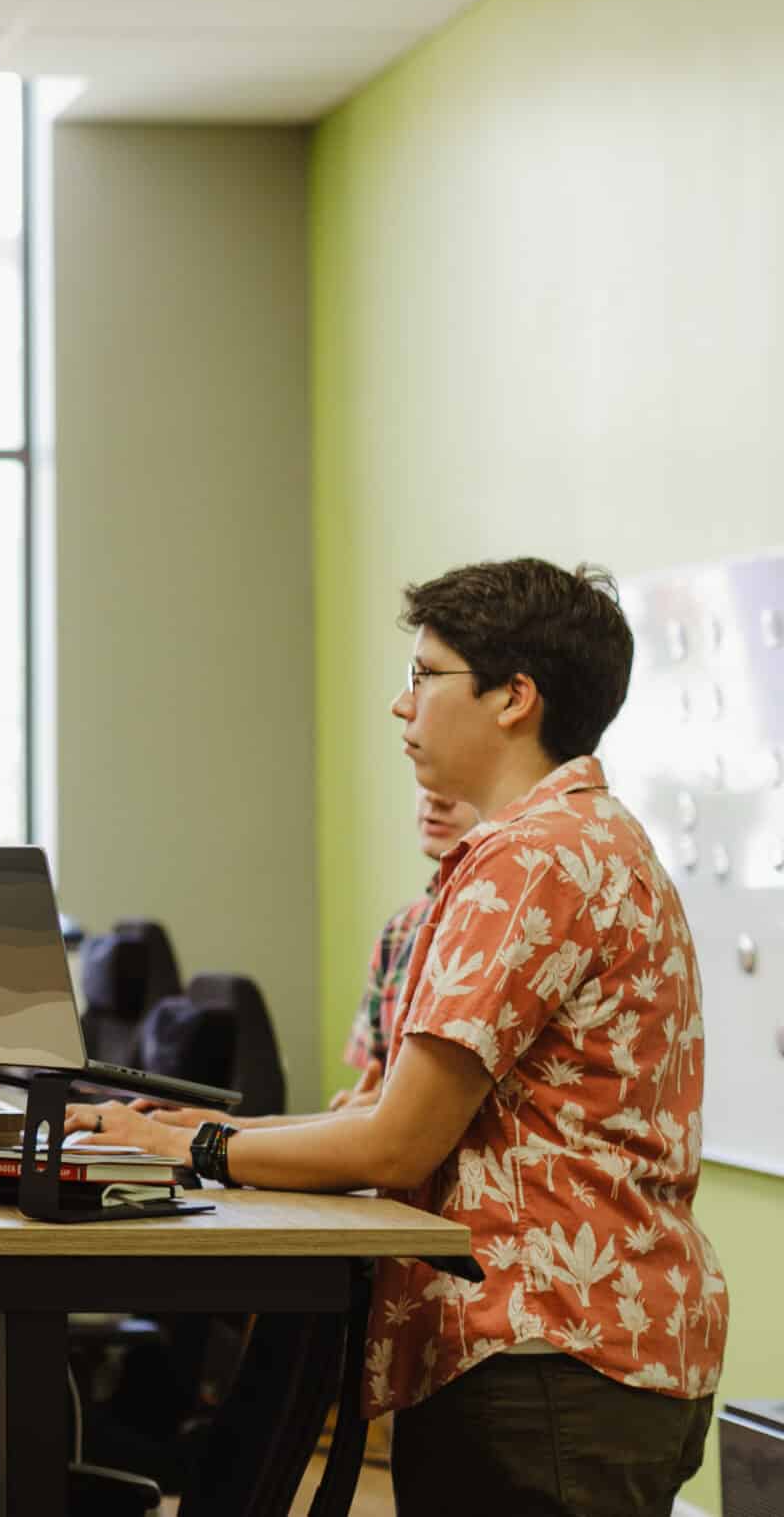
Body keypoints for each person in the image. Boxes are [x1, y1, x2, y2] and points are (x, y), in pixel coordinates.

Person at [84, 558, 724, 1516]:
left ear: (514, 697)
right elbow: (410, 1111)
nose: (401, 702)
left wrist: (200, 1147)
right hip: (599, 1345)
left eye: (425, 675)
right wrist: (197, 1133)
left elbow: (396, 1142)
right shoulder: (591, 838)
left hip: (544, 1352)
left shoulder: (530, 859)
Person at [333, 789, 480, 1110]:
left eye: (458, 778)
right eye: (423, 774)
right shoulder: (399, 931)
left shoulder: (506, 923)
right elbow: (376, 1080)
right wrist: (358, 1108)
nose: (436, 796)